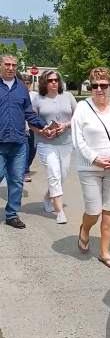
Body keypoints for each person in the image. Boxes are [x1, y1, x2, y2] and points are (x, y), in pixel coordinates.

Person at [71, 67, 110, 268]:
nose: (99, 89)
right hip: (89, 168)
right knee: (94, 210)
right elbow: (78, 139)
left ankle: (104, 252)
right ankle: (85, 230)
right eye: (95, 86)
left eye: (104, 86)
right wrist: (95, 159)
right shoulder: (82, 108)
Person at [0, 54, 50, 229]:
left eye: (14, 65)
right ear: (1, 65)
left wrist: (43, 126)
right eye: (7, 64)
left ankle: (12, 215)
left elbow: (28, 113)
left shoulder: (22, 88)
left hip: (19, 143)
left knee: (17, 180)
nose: (11, 67)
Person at [30, 70, 77, 224]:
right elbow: (31, 122)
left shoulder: (68, 97)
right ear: (45, 82)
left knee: (62, 174)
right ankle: (60, 211)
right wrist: (41, 131)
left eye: (56, 80)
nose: (54, 83)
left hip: (65, 142)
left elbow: (78, 117)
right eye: (50, 80)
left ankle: (47, 196)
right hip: (45, 143)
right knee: (53, 173)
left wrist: (66, 125)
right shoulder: (38, 99)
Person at [22, 74, 37, 182]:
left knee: (33, 150)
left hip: (33, 127)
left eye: (27, 83)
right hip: (23, 128)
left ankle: (26, 165)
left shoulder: (35, 96)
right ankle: (25, 171)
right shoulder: (18, 94)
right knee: (26, 150)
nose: (26, 85)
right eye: (24, 83)